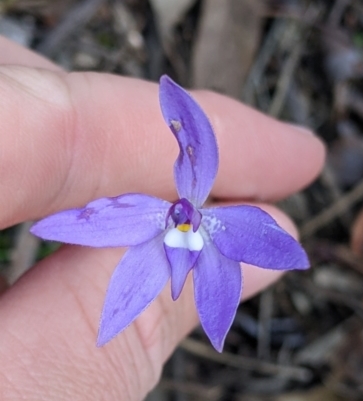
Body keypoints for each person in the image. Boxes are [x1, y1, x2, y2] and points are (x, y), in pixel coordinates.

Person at [0, 36, 325, 400]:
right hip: (156, 222)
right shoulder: (155, 217)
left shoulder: (216, 226)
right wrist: (54, 225)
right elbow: (89, 221)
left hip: (196, 229)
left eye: (186, 221)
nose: (184, 219)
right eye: (182, 220)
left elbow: (274, 248)